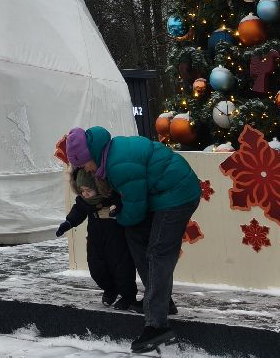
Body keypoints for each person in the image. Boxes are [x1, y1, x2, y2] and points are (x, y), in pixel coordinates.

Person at [64, 125, 201, 354]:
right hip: (161, 195)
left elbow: (135, 209)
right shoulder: (109, 154)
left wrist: (118, 217)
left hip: (178, 195)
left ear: (91, 155)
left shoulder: (117, 165)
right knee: (135, 235)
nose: (85, 169)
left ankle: (156, 326)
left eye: (84, 163)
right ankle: (162, 302)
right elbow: (133, 204)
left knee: (158, 252)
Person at [55, 161, 138, 309]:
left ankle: (128, 296)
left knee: (122, 268)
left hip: (116, 238)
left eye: (89, 190)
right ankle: (110, 288)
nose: (85, 194)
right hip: (96, 238)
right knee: (96, 268)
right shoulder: (84, 201)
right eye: (82, 190)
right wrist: (68, 223)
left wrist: (116, 210)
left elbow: (122, 204)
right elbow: (78, 211)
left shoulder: (111, 196)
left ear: (99, 187)